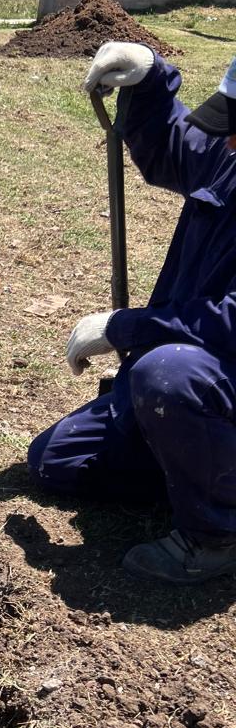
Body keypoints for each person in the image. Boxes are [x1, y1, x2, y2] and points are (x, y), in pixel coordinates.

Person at [29, 45, 236, 584]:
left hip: (214, 373)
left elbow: (227, 323)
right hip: (206, 375)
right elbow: (175, 147)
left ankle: (215, 536)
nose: (230, 140)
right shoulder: (232, 155)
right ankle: (197, 466)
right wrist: (148, 79)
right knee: (57, 461)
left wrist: (124, 329)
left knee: (165, 377)